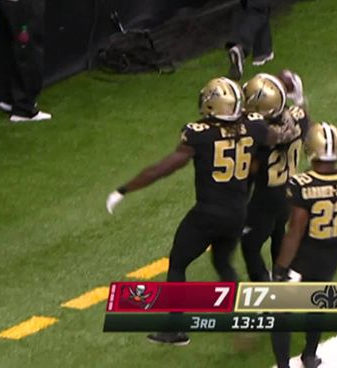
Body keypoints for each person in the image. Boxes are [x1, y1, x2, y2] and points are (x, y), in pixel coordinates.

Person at [105, 77, 295, 346]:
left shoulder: (200, 133)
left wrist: (124, 189)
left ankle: (175, 329)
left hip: (207, 214)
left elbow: (161, 169)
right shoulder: (254, 126)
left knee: (178, 262)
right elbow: (280, 135)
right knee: (222, 262)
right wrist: (289, 108)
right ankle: (243, 317)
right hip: (238, 213)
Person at [271, 122, 337, 368]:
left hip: (303, 257)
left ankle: (284, 366)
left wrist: (281, 268)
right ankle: (310, 355)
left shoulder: (303, 185)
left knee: (280, 312)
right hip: (332, 254)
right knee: (317, 304)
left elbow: (295, 232)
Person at [0, 0, 83, 122]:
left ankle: (14, 99)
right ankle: (24, 109)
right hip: (25, 2)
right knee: (30, 54)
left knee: (16, 52)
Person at [240, 71, 309, 282]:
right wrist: (298, 98)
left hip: (267, 195)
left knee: (249, 244)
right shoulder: (299, 117)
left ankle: (263, 286)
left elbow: (251, 169)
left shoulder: (263, 137)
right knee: (278, 232)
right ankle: (283, 276)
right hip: (289, 190)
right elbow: (302, 119)